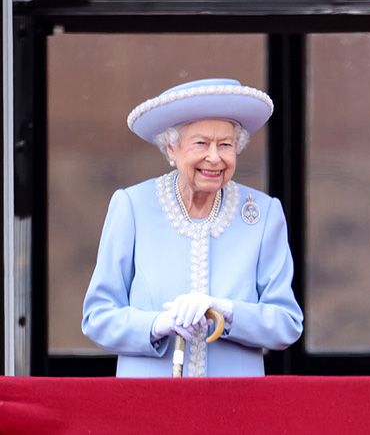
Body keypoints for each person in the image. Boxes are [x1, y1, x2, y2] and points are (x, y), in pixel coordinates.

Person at [82, 78, 303, 377]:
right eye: (201, 143)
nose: (215, 157)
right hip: (148, 403)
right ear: (171, 148)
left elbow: (286, 324)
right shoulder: (132, 206)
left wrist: (225, 310)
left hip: (235, 405)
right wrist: (157, 324)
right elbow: (97, 317)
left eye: (226, 145)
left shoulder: (263, 214)